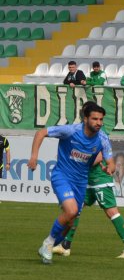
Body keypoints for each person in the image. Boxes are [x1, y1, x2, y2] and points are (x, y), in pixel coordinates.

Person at [28, 101, 113, 264]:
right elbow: (41, 133)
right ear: (86, 119)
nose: (99, 123)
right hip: (62, 176)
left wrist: (110, 167)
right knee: (71, 210)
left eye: (101, 119)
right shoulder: (70, 131)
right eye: (95, 119)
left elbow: (111, 160)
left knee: (71, 222)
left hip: (81, 182)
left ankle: (51, 243)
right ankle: (48, 243)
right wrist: (34, 156)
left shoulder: (102, 138)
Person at [53, 105, 124, 259]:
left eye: (99, 119)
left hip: (99, 179)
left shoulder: (98, 136)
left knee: (111, 211)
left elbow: (99, 157)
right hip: (88, 179)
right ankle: (65, 245)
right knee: (75, 210)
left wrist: (77, 162)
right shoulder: (80, 132)